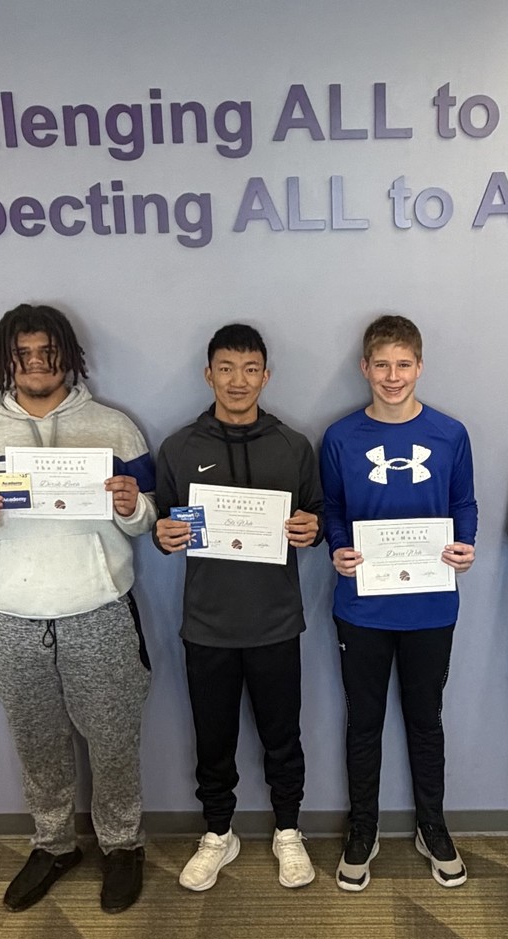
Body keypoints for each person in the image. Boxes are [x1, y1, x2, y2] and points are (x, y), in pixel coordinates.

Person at [0, 303, 156, 914]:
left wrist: (132, 504)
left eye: (47, 353)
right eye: (23, 354)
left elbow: (148, 521)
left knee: (113, 740)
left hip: (99, 609)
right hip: (10, 615)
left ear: (68, 356)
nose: (36, 364)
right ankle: (55, 843)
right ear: (7, 361)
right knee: (36, 740)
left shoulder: (115, 428)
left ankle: (121, 845)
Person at [154, 323, 323, 891]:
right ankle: (218, 834)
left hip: (276, 620)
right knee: (213, 738)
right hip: (207, 623)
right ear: (209, 375)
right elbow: (163, 523)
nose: (238, 380)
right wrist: (163, 535)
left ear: (266, 376)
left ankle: (288, 831)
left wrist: (311, 528)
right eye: (226, 368)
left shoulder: (293, 446)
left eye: (250, 369)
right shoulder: (179, 447)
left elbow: (316, 517)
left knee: (283, 736)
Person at [320, 315, 477, 892]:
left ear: (420, 366)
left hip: (431, 605)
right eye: (381, 364)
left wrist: (465, 547)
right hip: (361, 606)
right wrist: (338, 548)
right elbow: (333, 508)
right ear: (365, 368)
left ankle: (431, 825)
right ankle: (364, 828)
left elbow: (464, 502)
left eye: (403, 364)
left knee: (424, 720)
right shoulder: (339, 438)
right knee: (363, 722)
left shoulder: (450, 434)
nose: (392, 376)